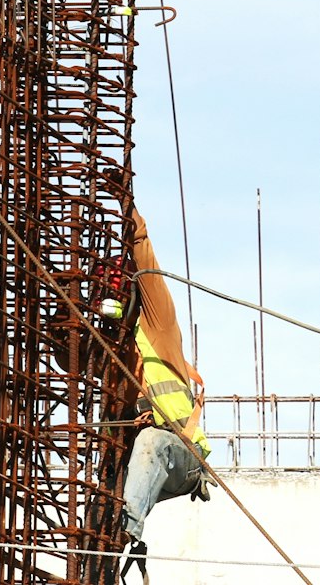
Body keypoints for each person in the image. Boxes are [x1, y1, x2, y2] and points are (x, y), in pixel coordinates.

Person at [118, 217, 212, 558]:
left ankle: (127, 526)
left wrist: (130, 213)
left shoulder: (157, 327)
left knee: (152, 439)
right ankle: (107, 542)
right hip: (143, 468)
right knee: (102, 492)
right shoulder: (113, 354)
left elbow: (147, 266)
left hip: (184, 457)